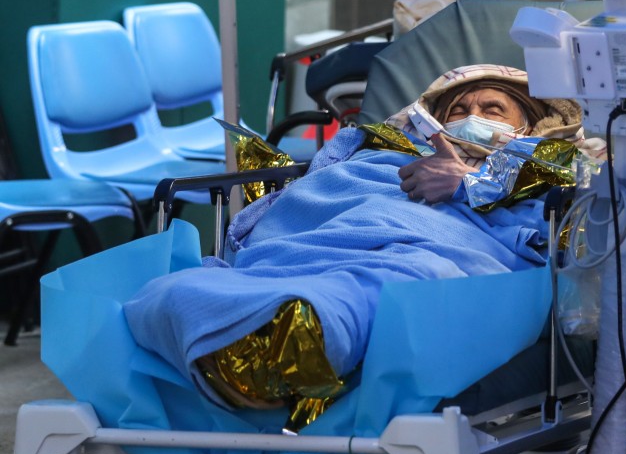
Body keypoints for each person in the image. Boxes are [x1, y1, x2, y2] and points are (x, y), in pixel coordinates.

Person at [122, 64, 600, 431]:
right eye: (458, 109)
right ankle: (252, 331)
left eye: (493, 109)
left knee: (399, 286)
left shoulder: (549, 169)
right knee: (177, 289)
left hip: (432, 249)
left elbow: (570, 227)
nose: (471, 117)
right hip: (318, 238)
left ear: (532, 123)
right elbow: (314, 191)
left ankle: (291, 338)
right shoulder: (377, 148)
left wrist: (472, 184)